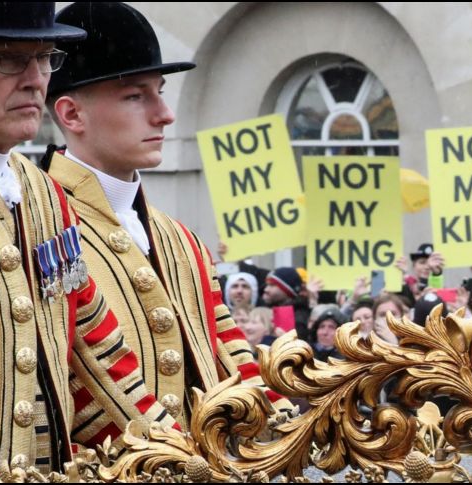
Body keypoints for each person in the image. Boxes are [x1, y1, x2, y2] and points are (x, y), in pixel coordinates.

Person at [0, 3, 171, 481]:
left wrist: (179, 459)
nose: (34, 79)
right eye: (9, 58)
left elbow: (100, 371)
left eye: (45, 58)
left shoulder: (43, 194)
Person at [42, 2, 292, 429]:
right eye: (136, 96)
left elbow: (233, 357)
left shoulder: (180, 238)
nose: (165, 113)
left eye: (158, 90)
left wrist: (284, 425)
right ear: (71, 114)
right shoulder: (40, 228)